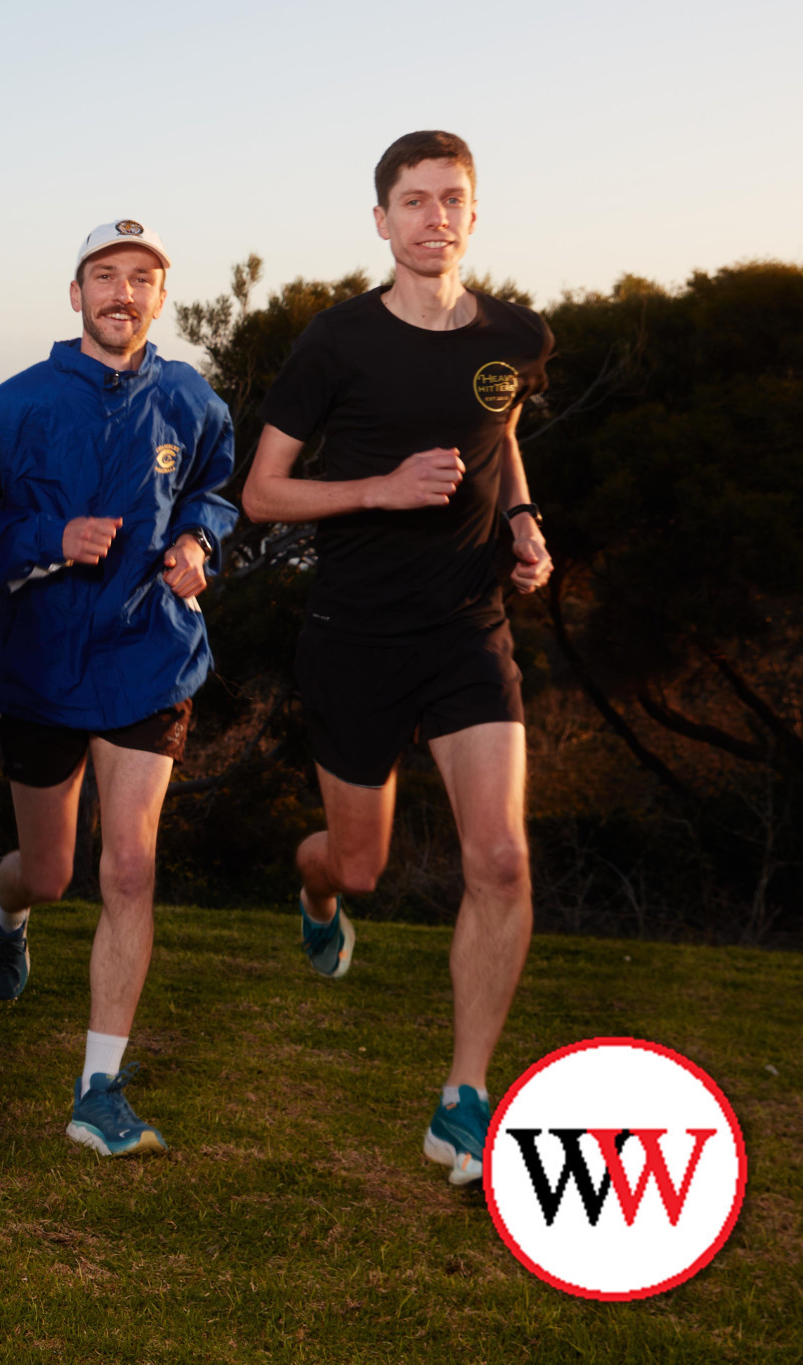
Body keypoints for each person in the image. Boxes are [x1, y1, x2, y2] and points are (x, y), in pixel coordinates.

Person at [241, 131, 554, 1186]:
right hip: (354, 636)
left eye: (450, 199)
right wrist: (377, 488)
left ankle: (462, 1098)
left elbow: (497, 427)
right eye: (411, 202)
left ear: (474, 213)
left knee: (500, 859)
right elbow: (262, 492)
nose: (433, 218)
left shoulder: (516, 333)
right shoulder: (333, 343)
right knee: (360, 862)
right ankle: (316, 891)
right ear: (380, 222)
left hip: (466, 630)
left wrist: (518, 519)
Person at [0, 222, 237, 1158]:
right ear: (74, 294)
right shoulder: (13, 406)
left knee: (130, 867)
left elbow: (214, 489)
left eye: (142, 277)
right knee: (54, 869)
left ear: (160, 296)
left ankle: (98, 1088)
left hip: (148, 656)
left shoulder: (190, 398)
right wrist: (48, 540)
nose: (124, 291)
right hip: (38, 665)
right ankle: (10, 908)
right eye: (106, 276)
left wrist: (197, 543)